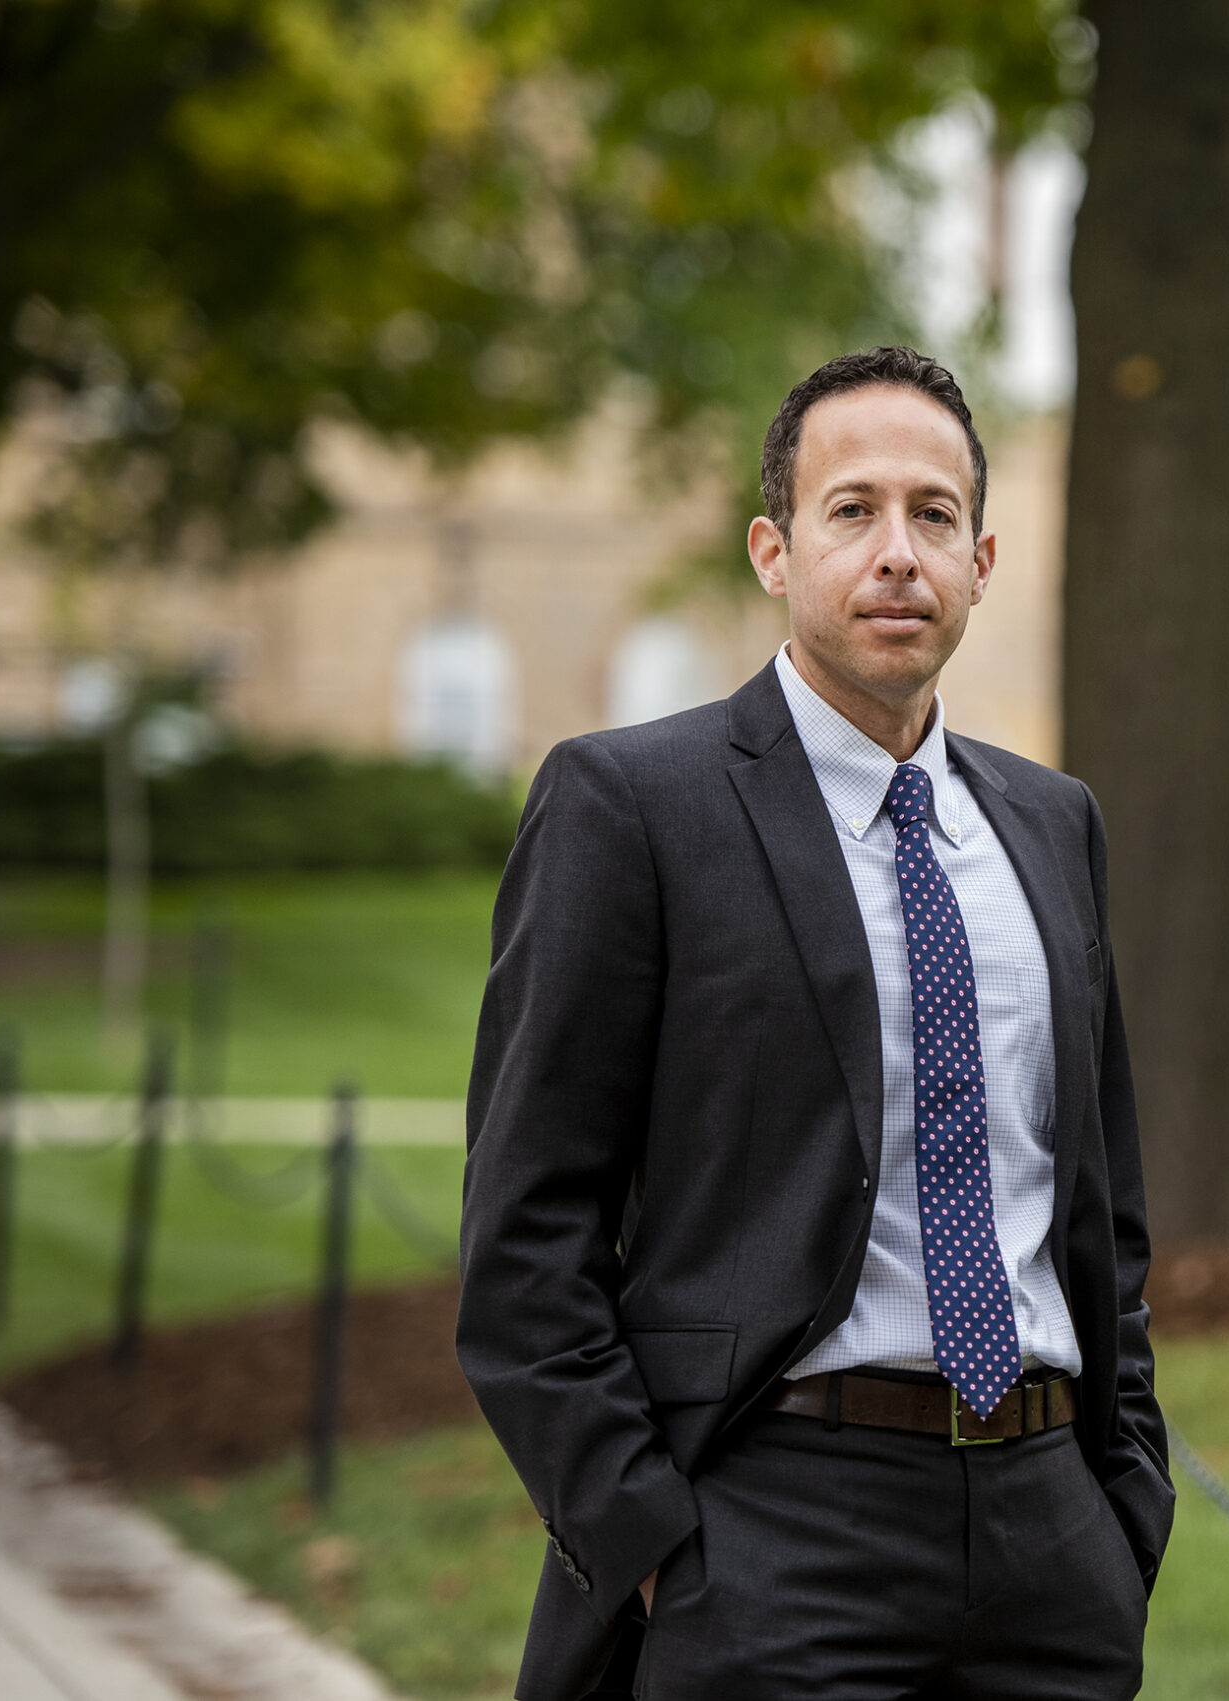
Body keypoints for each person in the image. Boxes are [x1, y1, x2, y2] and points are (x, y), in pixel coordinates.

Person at [457, 347, 1170, 1701]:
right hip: (770, 1539)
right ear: (775, 552)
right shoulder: (633, 807)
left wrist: (1123, 1495)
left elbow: (1098, 1207)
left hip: (1050, 1540)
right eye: (853, 511)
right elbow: (524, 1235)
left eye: (933, 514)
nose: (898, 552)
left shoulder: (1050, 824)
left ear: (984, 559)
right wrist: (649, 1537)